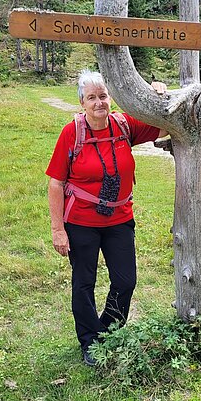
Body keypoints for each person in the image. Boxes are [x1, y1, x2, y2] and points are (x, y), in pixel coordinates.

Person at [46, 69, 167, 366]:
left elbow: (163, 124)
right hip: (81, 223)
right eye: (92, 98)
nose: (99, 102)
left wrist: (155, 94)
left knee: (126, 281)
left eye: (103, 96)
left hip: (119, 220)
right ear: (82, 103)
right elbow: (56, 183)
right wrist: (58, 229)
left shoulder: (124, 125)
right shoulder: (71, 133)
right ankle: (90, 342)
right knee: (84, 283)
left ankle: (107, 333)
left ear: (111, 98)